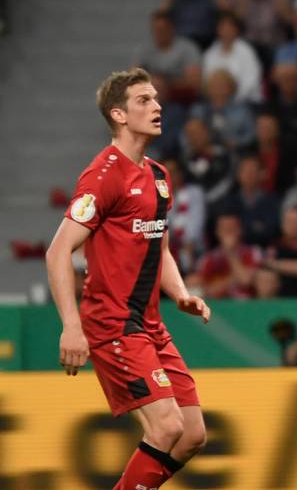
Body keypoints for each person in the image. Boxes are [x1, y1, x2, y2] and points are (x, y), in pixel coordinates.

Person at [45, 68, 211, 490]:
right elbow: (58, 250)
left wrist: (180, 292)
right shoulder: (102, 177)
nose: (157, 107)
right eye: (144, 100)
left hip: (149, 323)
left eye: (156, 99)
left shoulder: (158, 176)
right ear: (119, 115)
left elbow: (161, 246)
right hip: (112, 322)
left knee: (192, 433)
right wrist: (71, 326)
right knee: (166, 426)